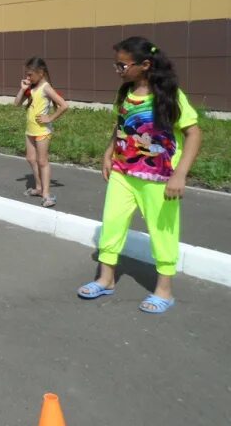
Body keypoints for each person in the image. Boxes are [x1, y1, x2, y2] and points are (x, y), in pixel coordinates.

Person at [77, 37, 201, 315]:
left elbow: (194, 133)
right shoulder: (125, 93)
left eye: (122, 65)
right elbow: (121, 125)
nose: (118, 70)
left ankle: (164, 291)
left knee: (162, 232)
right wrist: (109, 152)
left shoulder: (169, 96)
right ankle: (105, 279)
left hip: (159, 179)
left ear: (145, 65)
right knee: (112, 225)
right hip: (123, 174)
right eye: (116, 65)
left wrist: (180, 174)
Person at [13, 57, 69, 208]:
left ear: (41, 72)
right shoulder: (31, 88)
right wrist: (22, 88)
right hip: (30, 130)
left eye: (30, 75)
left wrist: (50, 117)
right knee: (31, 158)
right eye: (26, 74)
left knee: (42, 161)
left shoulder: (45, 87)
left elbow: (64, 105)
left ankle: (46, 194)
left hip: (42, 131)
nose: (27, 77)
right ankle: (38, 188)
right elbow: (17, 103)